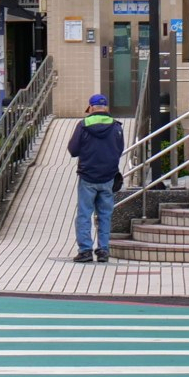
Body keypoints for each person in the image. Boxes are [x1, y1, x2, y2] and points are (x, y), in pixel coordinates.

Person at [68, 92, 126, 264]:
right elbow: (119, 149)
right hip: (108, 177)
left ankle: (85, 251)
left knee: (84, 214)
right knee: (105, 215)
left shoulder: (83, 125)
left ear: (91, 108)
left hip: (87, 176)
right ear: (105, 107)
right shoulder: (116, 126)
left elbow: (73, 150)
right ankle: (103, 250)